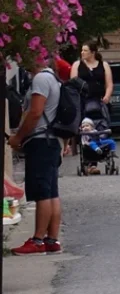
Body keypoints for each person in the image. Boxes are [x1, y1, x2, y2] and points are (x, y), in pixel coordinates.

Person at [8, 59, 64, 256]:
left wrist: (19, 137)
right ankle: (51, 240)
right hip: (51, 141)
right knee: (51, 192)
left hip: (40, 141)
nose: (21, 60)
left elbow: (35, 112)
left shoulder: (40, 79)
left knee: (42, 192)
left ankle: (38, 240)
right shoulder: (54, 78)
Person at [71, 41, 113, 118]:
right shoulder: (77, 65)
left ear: (92, 52)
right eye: (82, 50)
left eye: (85, 50)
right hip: (82, 102)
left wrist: (107, 96)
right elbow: (73, 85)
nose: (82, 52)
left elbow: (109, 84)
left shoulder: (104, 65)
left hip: (99, 101)